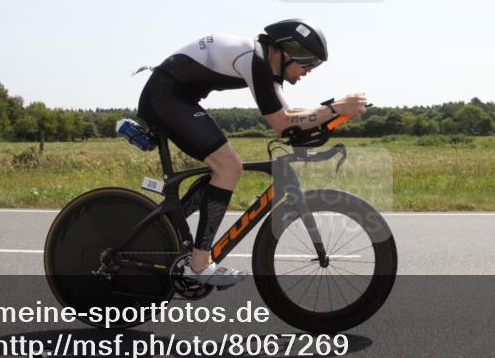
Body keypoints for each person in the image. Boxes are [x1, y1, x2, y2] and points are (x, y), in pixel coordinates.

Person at [136, 19, 368, 288]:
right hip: (166, 97)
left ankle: (162, 228)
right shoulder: (255, 60)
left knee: (223, 169)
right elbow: (281, 122)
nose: (308, 71)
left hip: (175, 98)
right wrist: (336, 109)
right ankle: (199, 264)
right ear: (287, 52)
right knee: (229, 168)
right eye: (308, 63)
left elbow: (291, 117)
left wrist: (333, 109)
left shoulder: (265, 66)